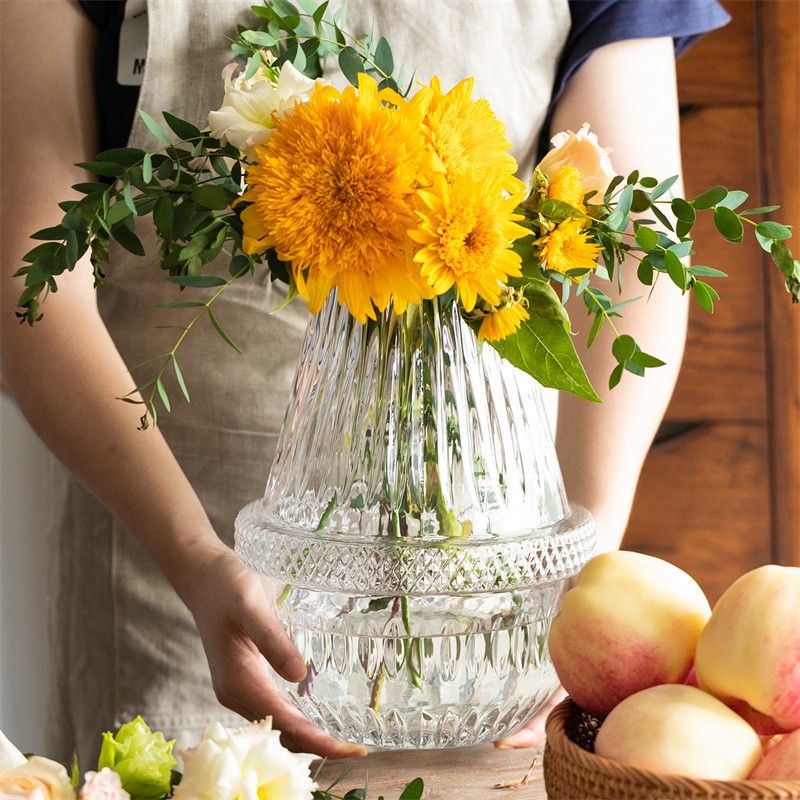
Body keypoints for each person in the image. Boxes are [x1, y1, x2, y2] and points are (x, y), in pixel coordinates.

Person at [0, 0, 730, 768]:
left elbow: (636, 247)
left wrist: (583, 592)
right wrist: (196, 561)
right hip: (173, 579)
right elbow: (28, 284)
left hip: (488, 613)